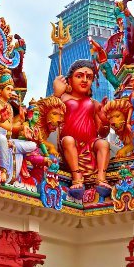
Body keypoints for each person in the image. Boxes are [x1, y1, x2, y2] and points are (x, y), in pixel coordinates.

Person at [52, 59, 111, 194]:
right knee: (68, 140)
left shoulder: (93, 103)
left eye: (89, 77)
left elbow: (102, 133)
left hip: (90, 143)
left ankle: (101, 179)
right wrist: (56, 94)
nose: (84, 80)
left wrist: (105, 122)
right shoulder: (62, 98)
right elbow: (48, 113)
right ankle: (77, 178)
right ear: (70, 80)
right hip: (69, 144)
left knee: (103, 144)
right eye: (79, 76)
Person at [0, 72, 37, 183]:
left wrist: (22, 124)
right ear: (1, 90)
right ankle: (3, 170)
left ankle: (11, 149)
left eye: (12, 90)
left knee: (33, 145)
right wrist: (0, 120)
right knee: (2, 140)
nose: (10, 92)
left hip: (7, 137)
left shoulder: (10, 107)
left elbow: (11, 128)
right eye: (8, 89)